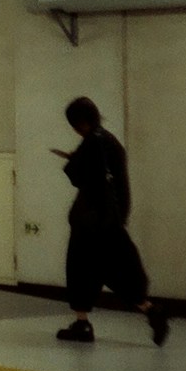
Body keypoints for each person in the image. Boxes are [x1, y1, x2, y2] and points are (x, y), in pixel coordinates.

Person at [50, 96, 169, 345]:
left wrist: (72, 160)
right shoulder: (110, 141)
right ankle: (150, 309)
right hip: (111, 222)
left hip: (90, 223)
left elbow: (79, 175)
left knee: (80, 270)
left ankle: (82, 324)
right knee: (120, 271)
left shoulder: (93, 142)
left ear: (79, 122)